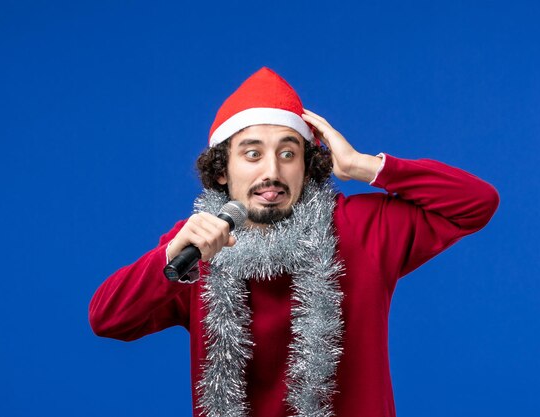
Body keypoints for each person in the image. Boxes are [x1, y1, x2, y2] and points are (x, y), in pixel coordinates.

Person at [89, 67, 499, 417]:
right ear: (221, 171)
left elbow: (476, 203)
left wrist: (364, 166)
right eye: (252, 154)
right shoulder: (197, 245)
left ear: (307, 165)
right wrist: (169, 257)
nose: (272, 171)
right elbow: (107, 319)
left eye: (288, 154)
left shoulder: (359, 227)